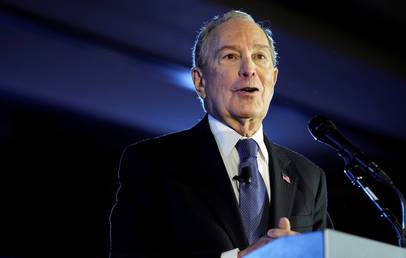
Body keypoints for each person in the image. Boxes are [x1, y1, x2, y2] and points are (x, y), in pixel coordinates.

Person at [109, 10, 329, 258]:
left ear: (273, 79)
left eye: (259, 56)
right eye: (231, 56)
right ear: (200, 82)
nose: (248, 69)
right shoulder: (153, 163)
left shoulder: (308, 176)